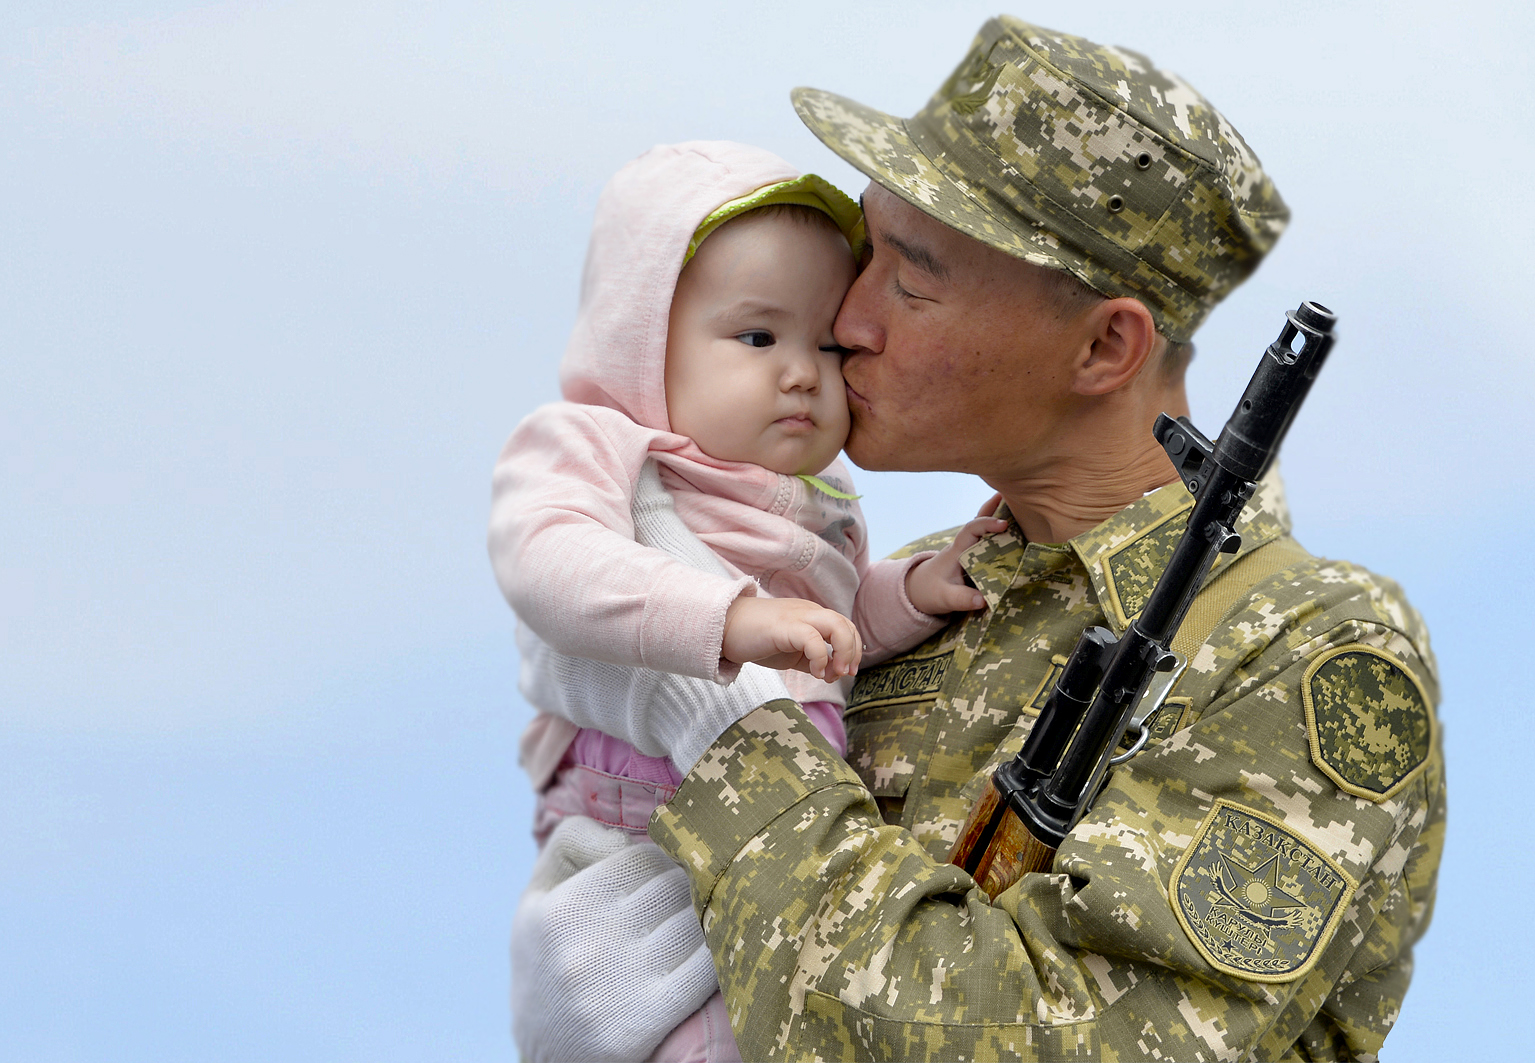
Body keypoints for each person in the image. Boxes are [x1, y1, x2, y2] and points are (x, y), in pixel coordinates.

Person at [508, 16, 1443, 1062]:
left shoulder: (1306, 653)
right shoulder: (914, 587)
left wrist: (733, 729)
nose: (846, 321)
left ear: (1104, 347)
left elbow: (1041, 1041)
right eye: (864, 255)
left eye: (909, 281)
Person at [490, 140, 998, 1062]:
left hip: (778, 843)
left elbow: (827, 635)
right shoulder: (603, 449)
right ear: (644, 341)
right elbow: (548, 561)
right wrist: (724, 620)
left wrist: (912, 592)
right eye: (758, 338)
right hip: (637, 834)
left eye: (827, 344)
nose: (802, 372)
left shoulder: (821, 502)